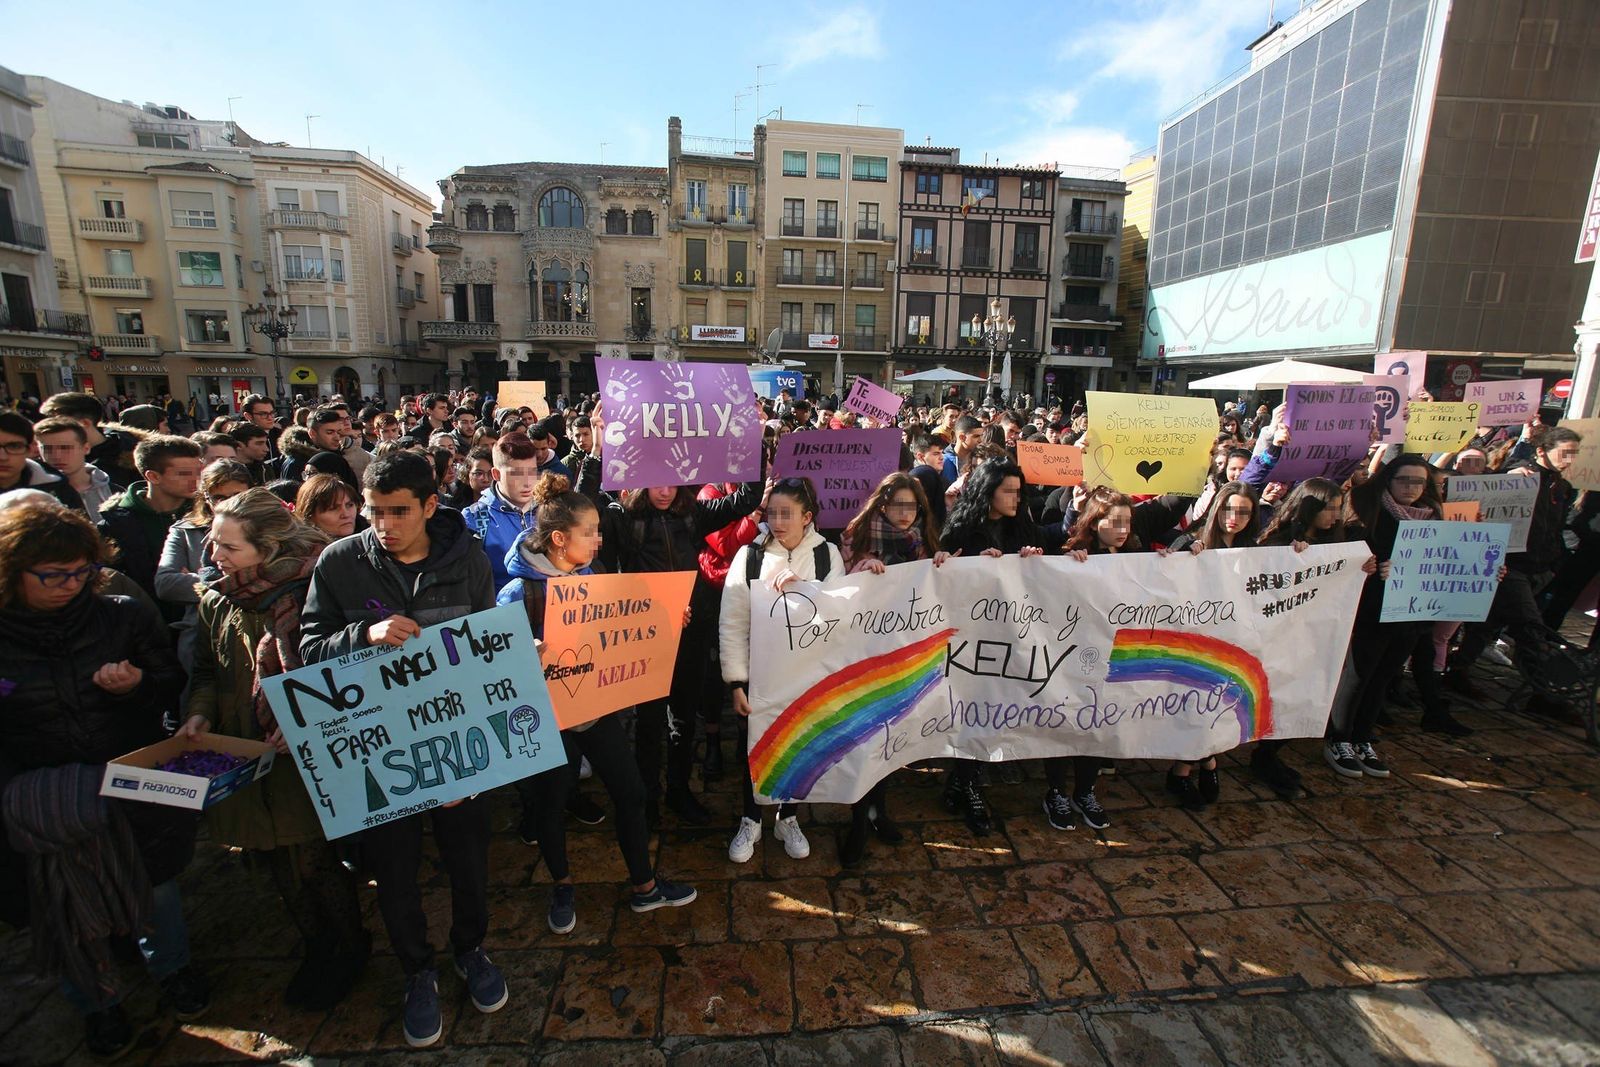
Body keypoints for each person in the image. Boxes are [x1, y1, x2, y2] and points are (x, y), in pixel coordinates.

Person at [298, 451, 506, 1048]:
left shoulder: (466, 556)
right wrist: (363, 635)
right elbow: (309, 648)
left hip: (457, 746)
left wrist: (516, 657)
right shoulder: (339, 562)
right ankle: (417, 970)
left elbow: (484, 635)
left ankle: (470, 949)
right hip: (380, 755)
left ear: (430, 507)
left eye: (399, 512)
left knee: (469, 860)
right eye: (374, 511)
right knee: (393, 873)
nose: (384, 524)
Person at [0, 503, 205, 1057]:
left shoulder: (119, 614)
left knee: (154, 888)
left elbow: (169, 678)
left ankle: (173, 971)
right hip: (43, 800)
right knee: (65, 904)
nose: (69, 586)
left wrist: (137, 685)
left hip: (129, 780)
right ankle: (97, 1004)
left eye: (81, 572)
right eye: (53, 576)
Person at [178, 488, 369, 1008]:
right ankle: (316, 946)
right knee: (276, 860)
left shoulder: (317, 587)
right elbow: (205, 670)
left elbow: (350, 669)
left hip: (306, 752)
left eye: (229, 547)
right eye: (215, 543)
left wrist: (306, 718)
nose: (215, 556)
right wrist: (199, 712)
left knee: (314, 857)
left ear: (269, 546)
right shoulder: (218, 597)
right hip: (247, 745)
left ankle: (350, 948)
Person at [497, 475, 697, 933]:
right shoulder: (518, 593)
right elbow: (497, 665)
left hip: (597, 712)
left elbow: (624, 630)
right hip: (549, 722)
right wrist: (521, 651)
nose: (599, 538)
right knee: (550, 805)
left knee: (630, 793)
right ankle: (562, 884)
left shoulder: (595, 576)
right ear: (560, 539)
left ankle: (644, 887)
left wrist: (666, 619)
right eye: (589, 532)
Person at [601, 477, 763, 827]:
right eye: (656, 483)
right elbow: (606, 572)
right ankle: (647, 798)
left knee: (684, 719)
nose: (664, 491)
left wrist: (749, 435)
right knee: (648, 723)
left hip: (691, 633)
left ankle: (678, 790)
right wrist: (598, 451)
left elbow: (746, 498)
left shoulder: (694, 514)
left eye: (672, 485)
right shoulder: (621, 519)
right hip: (645, 636)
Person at [721, 476, 844, 864]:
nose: (777, 521)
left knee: (800, 744)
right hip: (761, 675)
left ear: (807, 516)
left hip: (808, 676)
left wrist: (803, 589)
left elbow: (839, 614)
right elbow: (733, 621)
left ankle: (788, 816)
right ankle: (751, 816)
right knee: (754, 745)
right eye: (772, 512)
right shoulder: (750, 556)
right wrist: (736, 681)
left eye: (787, 513)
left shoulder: (828, 556)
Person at [837, 473, 948, 866]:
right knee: (864, 735)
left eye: (913, 506)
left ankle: (877, 810)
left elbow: (935, 589)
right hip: (864, 652)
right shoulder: (857, 536)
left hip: (906, 652)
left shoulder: (923, 539)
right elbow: (837, 589)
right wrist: (859, 571)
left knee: (889, 736)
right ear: (882, 505)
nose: (906, 514)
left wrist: (942, 564)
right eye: (898, 505)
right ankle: (857, 820)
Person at [938, 458, 1049, 834]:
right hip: (972, 643)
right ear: (988, 493)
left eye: (1019, 492)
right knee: (973, 710)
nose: (1017, 499)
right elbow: (945, 581)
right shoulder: (960, 531)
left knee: (998, 706)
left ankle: (961, 780)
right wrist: (970, 565)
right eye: (1009, 492)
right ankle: (968, 785)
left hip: (1012, 637)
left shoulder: (1022, 528)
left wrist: (1032, 561)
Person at [1333, 456, 1445, 779]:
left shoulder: (1434, 516)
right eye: (1404, 480)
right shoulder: (1368, 510)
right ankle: (1339, 738)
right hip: (1372, 609)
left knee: (1384, 677)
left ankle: (1363, 738)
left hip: (1412, 614)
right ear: (1388, 479)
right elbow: (1348, 555)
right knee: (1359, 676)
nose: (1411, 488)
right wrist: (1373, 566)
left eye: (1419, 482)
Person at [1166, 482, 1261, 810]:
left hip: (1235, 642)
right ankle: (1191, 767)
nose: (1235, 518)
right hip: (1194, 642)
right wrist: (1183, 556)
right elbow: (1160, 574)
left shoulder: (1258, 548)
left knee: (1222, 704)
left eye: (1244, 512)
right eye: (1229, 509)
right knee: (1197, 705)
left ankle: (1198, 765)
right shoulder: (1192, 540)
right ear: (1217, 509)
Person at [156, 459, 252, 673]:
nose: (227, 504)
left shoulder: (270, 527)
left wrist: (195, 578)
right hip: (205, 634)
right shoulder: (185, 531)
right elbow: (166, 583)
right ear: (206, 498)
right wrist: (228, 581)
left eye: (236, 496)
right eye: (219, 498)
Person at [97, 434, 205, 613]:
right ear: (153, 476)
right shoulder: (114, 525)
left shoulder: (208, 515)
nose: (197, 480)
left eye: (200, 472)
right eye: (184, 474)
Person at [462, 433, 544, 596]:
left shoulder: (549, 509)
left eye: (532, 472)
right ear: (496, 474)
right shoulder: (475, 518)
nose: (528, 482)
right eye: (517, 473)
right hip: (503, 614)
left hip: (549, 612)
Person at [32, 415, 114, 516]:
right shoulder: (33, 496)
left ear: (86, 448)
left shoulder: (113, 492)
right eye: (47, 449)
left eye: (65, 448)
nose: (56, 456)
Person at [294, 472, 361, 540]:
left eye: (350, 505)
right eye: (333, 508)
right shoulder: (301, 549)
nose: (346, 514)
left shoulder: (369, 539)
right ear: (310, 516)